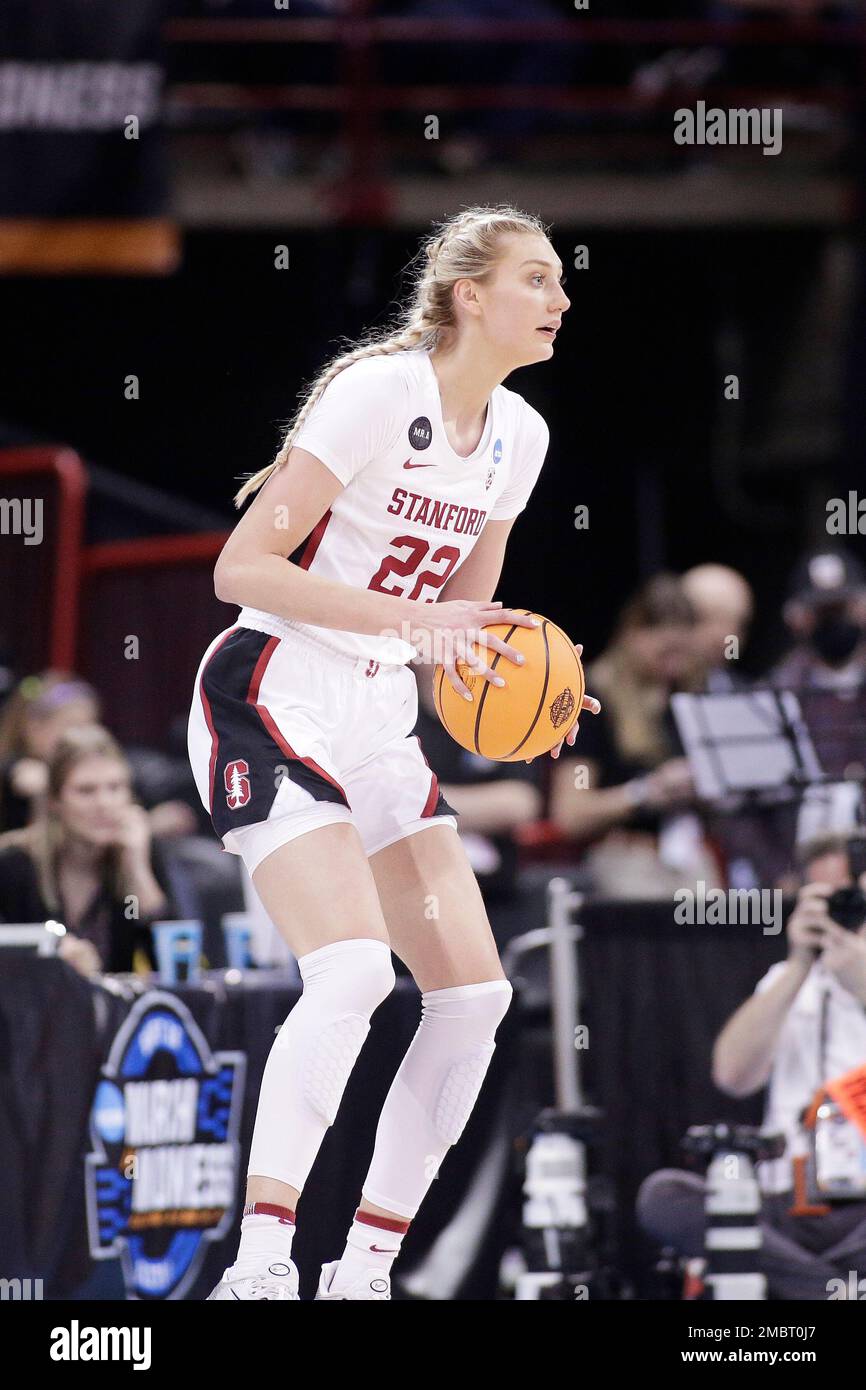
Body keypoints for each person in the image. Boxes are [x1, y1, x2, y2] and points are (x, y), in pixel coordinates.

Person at [187, 204, 599, 1301]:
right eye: (535, 279)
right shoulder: (377, 392)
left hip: (375, 713)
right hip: (274, 686)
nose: (559, 299)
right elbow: (241, 570)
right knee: (355, 972)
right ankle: (261, 1261)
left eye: (558, 282)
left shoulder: (522, 435)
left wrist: (529, 686)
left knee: (473, 999)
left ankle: (363, 1268)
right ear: (469, 295)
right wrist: (416, 630)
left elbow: (468, 622)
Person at [637, 833, 866, 1299]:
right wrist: (799, 963)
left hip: (861, 1208)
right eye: (819, 898)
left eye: (845, 896)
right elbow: (731, 1075)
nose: (833, 909)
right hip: (783, 1203)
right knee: (665, 1196)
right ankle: (829, 1292)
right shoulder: (787, 980)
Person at [548, 574, 721, 899]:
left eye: (681, 649)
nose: (672, 660)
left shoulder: (694, 697)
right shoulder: (596, 699)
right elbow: (569, 813)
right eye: (661, 645)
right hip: (627, 859)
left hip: (690, 853)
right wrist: (644, 793)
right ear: (630, 635)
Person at [0, 725, 168, 976]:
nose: (104, 803)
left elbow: (172, 962)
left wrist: (137, 871)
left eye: (115, 787)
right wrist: (49, 955)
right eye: (86, 790)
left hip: (115, 1014)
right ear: (55, 801)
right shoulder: (15, 864)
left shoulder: (139, 854)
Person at [680, 563, 754, 692]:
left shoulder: (744, 692)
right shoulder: (655, 695)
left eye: (738, 624)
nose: (726, 636)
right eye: (708, 619)